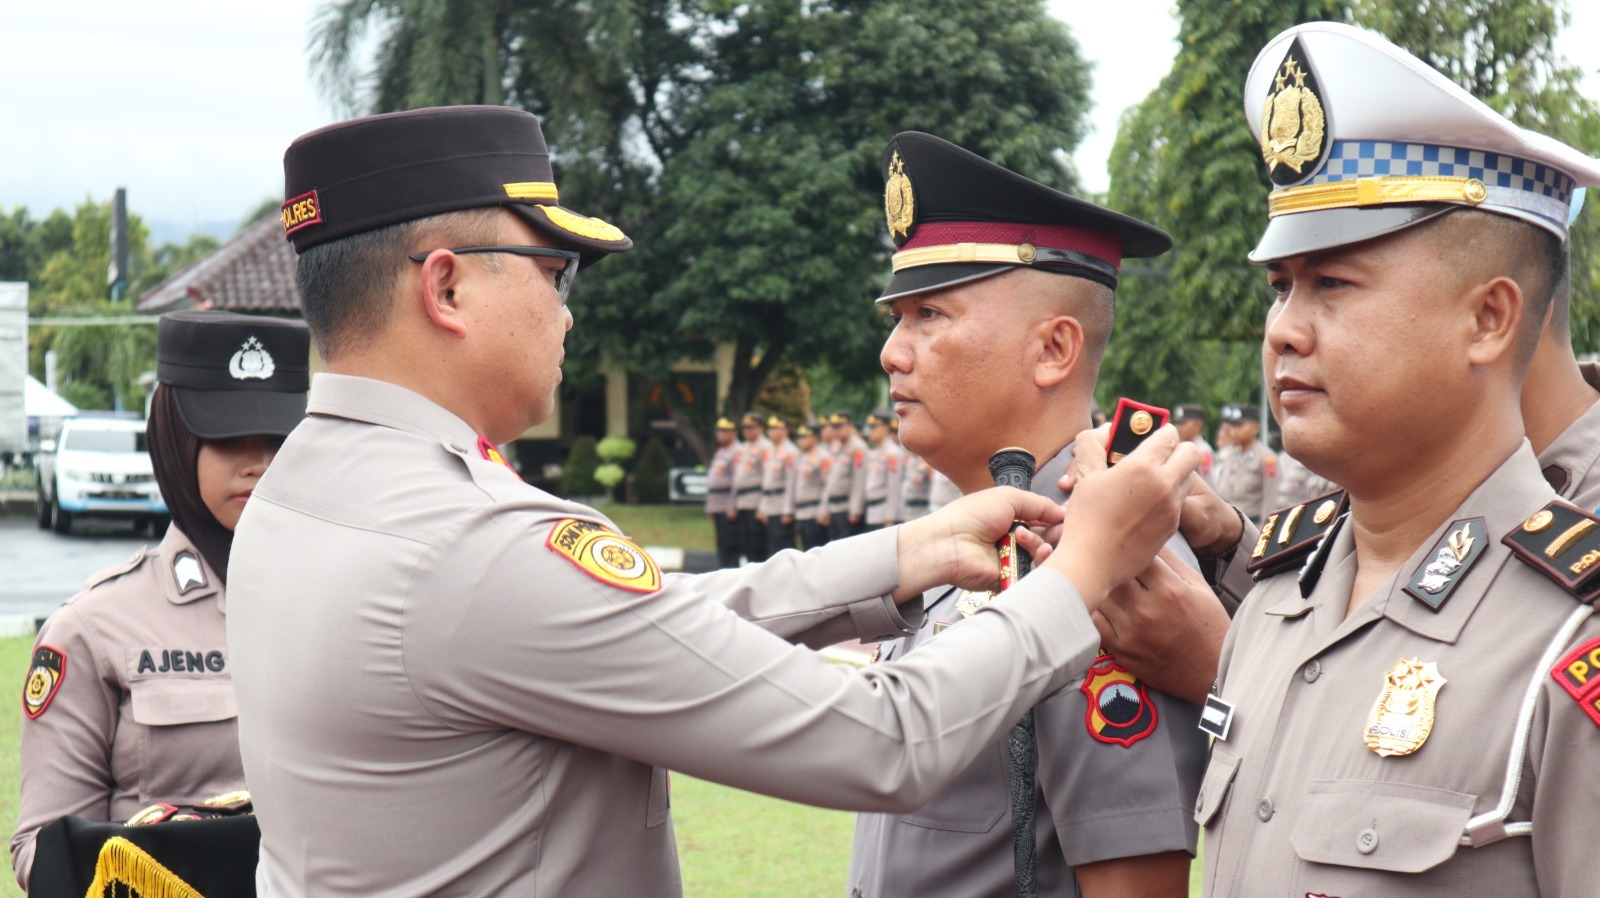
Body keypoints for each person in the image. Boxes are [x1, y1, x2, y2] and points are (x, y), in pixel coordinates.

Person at [227, 105, 1201, 897]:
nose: (567, 311)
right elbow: (884, 740)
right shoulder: (469, 541)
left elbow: (628, 628)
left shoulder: (295, 494)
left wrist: (900, 555)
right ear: (446, 286)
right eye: (554, 272)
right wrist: (1080, 570)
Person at [1066, 22, 1600, 894]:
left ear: (1489, 319)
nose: (1284, 330)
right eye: (1281, 287)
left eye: (1334, 285)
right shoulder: (1275, 600)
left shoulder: (1571, 636)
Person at [850, 131, 1207, 898]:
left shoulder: (1106, 567)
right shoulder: (982, 542)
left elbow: (1133, 882)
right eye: (897, 317)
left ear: (1053, 349)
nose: (892, 352)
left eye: (929, 315)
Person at [12, 310, 309, 889]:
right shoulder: (95, 629)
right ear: (176, 442)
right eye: (226, 439)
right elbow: (41, 850)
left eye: (279, 439)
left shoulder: (352, 606)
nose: (258, 463)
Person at [1211, 404, 1276, 523]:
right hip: (1228, 523)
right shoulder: (1231, 454)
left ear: (1255, 427)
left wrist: (1265, 531)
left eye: (1239, 425)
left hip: (1252, 525)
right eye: (1233, 425)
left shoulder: (1267, 458)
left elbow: (1271, 500)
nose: (1234, 430)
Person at [731, 410, 772, 562]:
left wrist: (763, 505)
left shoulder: (765, 447)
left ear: (760, 428)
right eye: (744, 428)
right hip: (742, 501)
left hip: (756, 500)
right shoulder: (744, 447)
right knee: (746, 543)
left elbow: (767, 478)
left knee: (758, 544)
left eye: (751, 427)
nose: (746, 431)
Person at [820, 411, 868, 540]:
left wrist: (855, 510)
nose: (836, 431)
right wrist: (824, 508)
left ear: (849, 426)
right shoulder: (836, 448)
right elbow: (830, 481)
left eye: (839, 427)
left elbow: (860, 480)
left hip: (847, 508)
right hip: (834, 508)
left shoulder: (858, 448)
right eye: (834, 427)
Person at [757, 415, 798, 554]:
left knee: (784, 547)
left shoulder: (790, 452)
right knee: (772, 547)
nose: (771, 431)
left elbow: (791, 483)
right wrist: (763, 507)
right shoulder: (773, 451)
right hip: (770, 506)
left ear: (785, 430)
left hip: (781, 506)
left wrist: (787, 510)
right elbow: (766, 483)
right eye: (770, 428)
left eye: (775, 428)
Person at [788, 420, 831, 549]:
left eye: (804, 437)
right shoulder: (802, 457)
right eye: (799, 437)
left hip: (815, 512)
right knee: (805, 549)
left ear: (815, 438)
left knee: (816, 549)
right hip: (802, 513)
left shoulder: (823, 456)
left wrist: (823, 509)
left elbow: (827, 485)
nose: (800, 440)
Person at [704, 417, 740, 568]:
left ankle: (730, 571)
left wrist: (732, 505)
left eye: (725, 431)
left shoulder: (738, 451)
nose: (721, 434)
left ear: (734, 433)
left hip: (727, 503)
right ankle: (724, 569)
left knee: (730, 542)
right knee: (721, 542)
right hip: (717, 503)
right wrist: (710, 505)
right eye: (719, 431)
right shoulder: (721, 451)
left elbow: (737, 481)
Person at [861, 410, 904, 530]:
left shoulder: (892, 453)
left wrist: (890, 517)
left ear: (885, 428)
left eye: (874, 427)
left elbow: (894, 487)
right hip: (873, 514)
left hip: (885, 515)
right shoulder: (875, 453)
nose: (870, 431)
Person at [1172, 404, 1215, 484]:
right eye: (1177, 423)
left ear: (1198, 424)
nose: (1178, 427)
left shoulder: (1203, 451)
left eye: (1183, 423)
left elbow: (1209, 484)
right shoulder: (1177, 446)